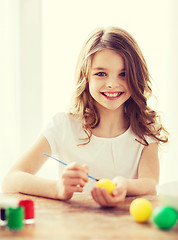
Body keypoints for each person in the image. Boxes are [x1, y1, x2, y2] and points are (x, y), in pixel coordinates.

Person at [2, 26, 168, 207]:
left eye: (124, 74)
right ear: (86, 76)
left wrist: (124, 185)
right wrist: (58, 189)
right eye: (101, 74)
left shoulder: (145, 129)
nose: (112, 83)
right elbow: (11, 180)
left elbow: (150, 185)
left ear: (137, 77)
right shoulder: (63, 126)